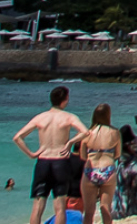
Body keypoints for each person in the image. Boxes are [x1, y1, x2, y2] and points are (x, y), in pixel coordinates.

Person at [14, 84, 85, 224]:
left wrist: (31, 154)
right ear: (65, 100)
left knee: (38, 206)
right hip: (60, 161)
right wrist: (71, 142)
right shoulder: (68, 117)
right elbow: (85, 132)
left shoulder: (40, 117)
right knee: (59, 206)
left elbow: (18, 137)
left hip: (43, 161)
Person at [78, 104, 121, 224]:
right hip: (108, 169)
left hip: (90, 170)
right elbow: (117, 154)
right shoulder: (115, 132)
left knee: (89, 211)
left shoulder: (87, 133)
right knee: (105, 208)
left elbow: (82, 156)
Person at [112, 120, 137, 219]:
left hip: (123, 170)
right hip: (136, 168)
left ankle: (123, 212)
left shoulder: (119, 144)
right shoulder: (136, 141)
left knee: (123, 191)